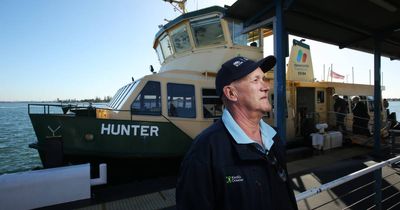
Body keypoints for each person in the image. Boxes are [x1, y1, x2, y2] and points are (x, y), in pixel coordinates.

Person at [176, 56, 298, 210]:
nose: (266, 87)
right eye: (255, 80)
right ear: (231, 93)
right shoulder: (205, 151)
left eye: (264, 79)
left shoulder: (273, 137)